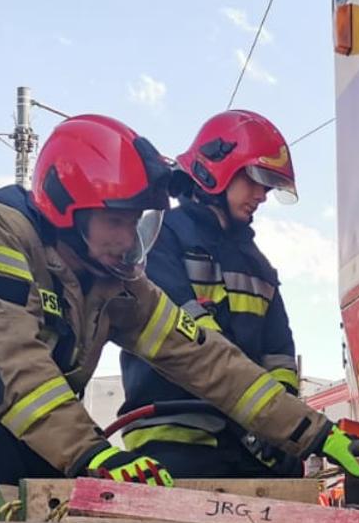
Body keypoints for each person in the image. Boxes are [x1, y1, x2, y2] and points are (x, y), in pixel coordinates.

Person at [0, 114, 359, 522]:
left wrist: (312, 433)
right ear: (67, 209)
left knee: (52, 491)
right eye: (116, 221)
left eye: (139, 222)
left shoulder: (118, 281)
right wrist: (92, 454)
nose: (130, 241)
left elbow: (205, 359)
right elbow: (4, 359)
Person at [117, 109, 306, 478]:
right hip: (175, 432)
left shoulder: (259, 266)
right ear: (217, 169)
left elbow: (279, 357)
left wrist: (282, 429)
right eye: (255, 180)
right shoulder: (161, 237)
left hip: (247, 437)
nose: (262, 196)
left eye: (268, 186)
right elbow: (192, 343)